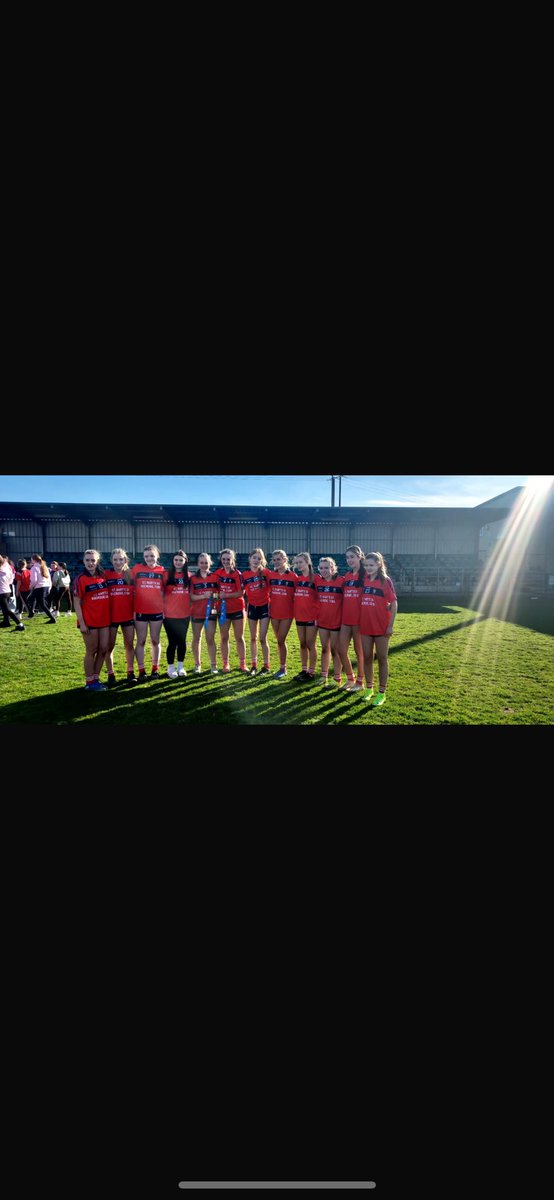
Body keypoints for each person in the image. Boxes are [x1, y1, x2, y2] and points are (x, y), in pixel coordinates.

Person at [359, 552, 398, 707]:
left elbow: (394, 603)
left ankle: (382, 693)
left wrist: (390, 625)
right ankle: (369, 689)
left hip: (382, 626)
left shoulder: (385, 581)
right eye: (366, 565)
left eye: (371, 565)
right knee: (367, 657)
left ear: (379, 564)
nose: (368, 568)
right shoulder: (364, 580)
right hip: (366, 625)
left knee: (382, 659)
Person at [73, 550, 111, 691]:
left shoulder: (102, 576)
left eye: (93, 560)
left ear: (97, 561)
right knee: (92, 650)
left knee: (103, 649)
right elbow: (77, 603)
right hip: (89, 621)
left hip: (104, 620)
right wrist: (82, 623)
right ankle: (89, 682)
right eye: (87, 560)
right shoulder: (80, 579)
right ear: (84, 561)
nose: (90, 563)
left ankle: (96, 678)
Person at [130, 545, 166, 682]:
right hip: (140, 611)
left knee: (155, 640)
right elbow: (132, 590)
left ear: (157, 556)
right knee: (141, 640)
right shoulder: (137, 569)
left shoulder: (162, 571)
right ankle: (141, 670)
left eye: (151, 555)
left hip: (157, 611)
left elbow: (164, 592)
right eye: (146, 556)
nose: (149, 558)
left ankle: (155, 668)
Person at [104, 549, 137, 687]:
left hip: (128, 616)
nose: (118, 562)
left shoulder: (131, 575)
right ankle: (111, 674)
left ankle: (130, 672)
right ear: (111, 560)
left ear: (125, 560)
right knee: (109, 647)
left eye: (121, 559)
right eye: (115, 559)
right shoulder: (106, 574)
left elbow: (136, 595)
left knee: (129, 645)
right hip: (111, 617)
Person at [339, 545, 366, 694]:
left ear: (360, 557)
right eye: (348, 557)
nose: (349, 560)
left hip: (359, 620)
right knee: (341, 650)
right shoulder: (347, 576)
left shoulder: (366, 575)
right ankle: (350, 679)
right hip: (346, 619)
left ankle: (360, 682)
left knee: (359, 652)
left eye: (352, 557)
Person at [214, 549, 247, 673]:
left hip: (237, 609)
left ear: (233, 560)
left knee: (239, 637)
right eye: (224, 559)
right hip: (223, 610)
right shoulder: (217, 573)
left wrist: (226, 595)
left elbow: (241, 592)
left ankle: (243, 664)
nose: (226, 561)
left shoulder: (237, 574)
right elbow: (215, 590)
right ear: (221, 560)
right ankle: (225, 664)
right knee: (224, 638)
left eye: (228, 559)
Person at [314, 557, 344, 685]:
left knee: (335, 650)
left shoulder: (341, 581)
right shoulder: (318, 582)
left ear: (333, 568)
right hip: (322, 622)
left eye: (327, 567)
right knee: (325, 649)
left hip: (336, 621)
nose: (324, 570)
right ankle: (324, 675)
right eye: (321, 568)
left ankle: (337, 677)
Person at [267, 549, 296, 680]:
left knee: (281, 640)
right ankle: (281, 666)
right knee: (279, 642)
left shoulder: (293, 577)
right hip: (274, 613)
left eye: (279, 559)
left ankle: (283, 668)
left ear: (285, 559)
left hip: (287, 614)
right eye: (275, 559)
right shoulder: (271, 576)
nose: (277, 562)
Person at [241, 548, 271, 676]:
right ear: (250, 559)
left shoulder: (266, 573)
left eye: (259, 558)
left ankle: (266, 666)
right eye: (254, 557)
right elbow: (239, 590)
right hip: (252, 607)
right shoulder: (244, 575)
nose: (256, 560)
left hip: (265, 606)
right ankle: (254, 665)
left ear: (262, 560)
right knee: (253, 638)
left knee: (263, 638)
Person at [189, 553, 220, 673]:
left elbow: (219, 595)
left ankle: (213, 665)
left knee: (210, 639)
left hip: (211, 612)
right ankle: (197, 665)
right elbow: (191, 597)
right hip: (197, 612)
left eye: (206, 562)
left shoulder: (215, 577)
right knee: (197, 638)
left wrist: (213, 596)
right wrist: (203, 596)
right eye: (201, 563)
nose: (204, 565)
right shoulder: (193, 578)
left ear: (210, 563)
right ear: (198, 564)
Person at [163, 550, 191, 678]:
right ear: (173, 561)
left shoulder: (189, 576)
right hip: (169, 615)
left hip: (184, 615)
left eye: (181, 560)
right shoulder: (166, 575)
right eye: (176, 560)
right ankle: (170, 668)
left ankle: (180, 667)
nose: (178, 562)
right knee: (172, 642)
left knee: (182, 641)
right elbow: (160, 594)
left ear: (185, 561)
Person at [292, 553, 319, 682]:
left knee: (310, 644)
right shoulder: (297, 580)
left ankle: (311, 672)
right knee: (302, 644)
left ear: (307, 562)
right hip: (299, 616)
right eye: (297, 563)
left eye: (300, 562)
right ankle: (304, 670)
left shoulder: (316, 579)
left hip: (311, 616)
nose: (298, 565)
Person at [27, 555, 57, 623]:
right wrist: (49, 587)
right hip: (45, 586)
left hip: (39, 587)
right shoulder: (45, 567)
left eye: (32, 560)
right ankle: (31, 613)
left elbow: (34, 580)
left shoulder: (34, 568)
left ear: (34, 560)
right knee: (34, 600)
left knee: (40, 603)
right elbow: (49, 578)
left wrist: (31, 586)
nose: (31, 561)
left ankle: (52, 618)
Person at [0, 554, 25, 630]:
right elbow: (11, 580)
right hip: (7, 590)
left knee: (7, 609)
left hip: (2, 591)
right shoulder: (8, 568)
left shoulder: (1, 569)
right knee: (4, 609)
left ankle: (20, 624)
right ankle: (6, 622)